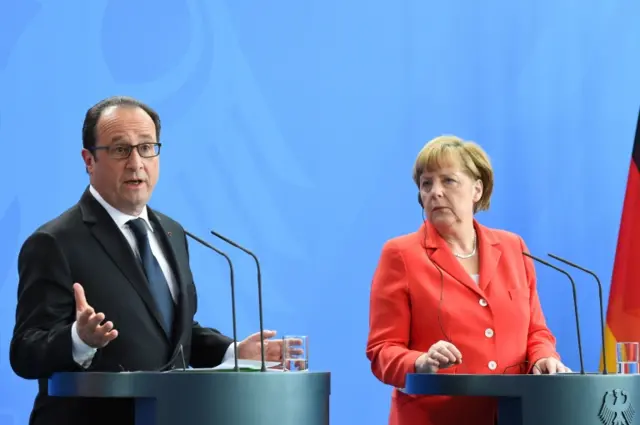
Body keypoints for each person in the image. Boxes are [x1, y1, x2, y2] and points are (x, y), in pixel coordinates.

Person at [10, 96, 285, 425]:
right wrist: (78, 339)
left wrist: (232, 352)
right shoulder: (54, 242)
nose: (136, 163)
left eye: (146, 148)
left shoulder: (170, 231)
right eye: (120, 149)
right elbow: (25, 352)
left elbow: (170, 335)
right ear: (89, 160)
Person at [365, 135, 569, 425]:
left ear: (477, 189)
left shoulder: (513, 247)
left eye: (448, 181)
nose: (435, 192)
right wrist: (420, 362)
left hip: (515, 415)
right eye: (426, 183)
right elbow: (382, 350)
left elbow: (536, 331)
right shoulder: (401, 254)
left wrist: (543, 357)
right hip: (435, 418)